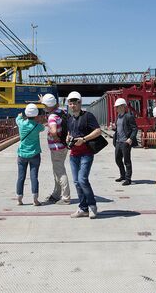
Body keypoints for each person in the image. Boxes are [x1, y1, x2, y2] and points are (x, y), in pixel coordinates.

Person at [66, 91, 103, 219]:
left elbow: (98, 131)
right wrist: (68, 138)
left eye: (75, 103)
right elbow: (70, 132)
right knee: (76, 182)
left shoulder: (88, 116)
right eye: (70, 103)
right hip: (73, 155)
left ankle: (92, 206)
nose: (72, 106)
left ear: (80, 103)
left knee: (82, 180)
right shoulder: (69, 119)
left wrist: (84, 139)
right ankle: (83, 208)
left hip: (86, 153)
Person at [40, 94, 71, 205]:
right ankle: (56, 194)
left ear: (47, 105)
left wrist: (56, 138)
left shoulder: (52, 117)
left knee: (60, 172)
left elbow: (53, 131)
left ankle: (66, 197)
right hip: (63, 147)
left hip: (57, 148)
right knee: (56, 171)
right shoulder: (61, 112)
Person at [15, 103, 45, 206]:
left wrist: (20, 115)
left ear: (26, 114)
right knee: (34, 177)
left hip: (22, 154)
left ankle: (19, 198)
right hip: (35, 154)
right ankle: (35, 199)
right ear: (36, 115)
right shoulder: (38, 126)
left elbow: (18, 118)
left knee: (21, 177)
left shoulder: (21, 123)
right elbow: (43, 128)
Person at [111, 98, 138, 185]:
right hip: (118, 142)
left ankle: (128, 179)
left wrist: (130, 138)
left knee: (127, 161)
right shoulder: (118, 117)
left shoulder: (129, 116)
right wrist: (114, 128)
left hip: (125, 142)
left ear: (123, 106)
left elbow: (135, 129)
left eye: (117, 107)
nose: (116, 109)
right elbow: (119, 129)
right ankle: (122, 175)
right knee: (117, 159)